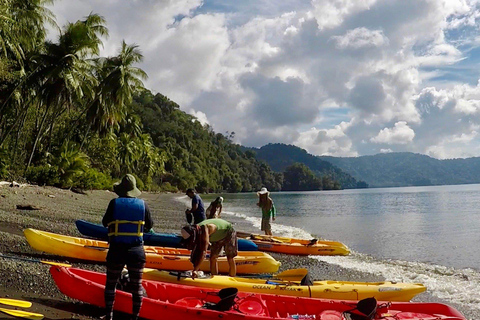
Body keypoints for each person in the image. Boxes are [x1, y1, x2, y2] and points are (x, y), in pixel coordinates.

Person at [102, 174, 153, 320]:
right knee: (136, 286)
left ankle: (109, 316)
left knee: (111, 284)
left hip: (116, 250)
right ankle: (135, 317)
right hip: (136, 252)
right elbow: (150, 226)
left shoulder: (114, 203)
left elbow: (105, 222)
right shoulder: (143, 204)